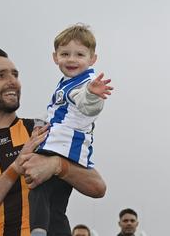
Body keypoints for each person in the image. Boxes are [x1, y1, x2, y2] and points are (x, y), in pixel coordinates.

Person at [0, 48, 106, 236]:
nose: (12, 81)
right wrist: (15, 168)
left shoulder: (44, 129)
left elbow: (98, 187)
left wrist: (57, 165)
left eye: (15, 75)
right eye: (0, 76)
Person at [30, 24, 113, 236]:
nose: (72, 59)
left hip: (61, 145)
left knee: (38, 185)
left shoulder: (84, 84)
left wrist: (93, 95)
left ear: (92, 59)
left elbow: (88, 105)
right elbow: (53, 110)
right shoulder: (66, 83)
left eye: (79, 54)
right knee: (58, 203)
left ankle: (38, 230)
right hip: (69, 149)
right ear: (55, 57)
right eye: (65, 54)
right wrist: (39, 123)